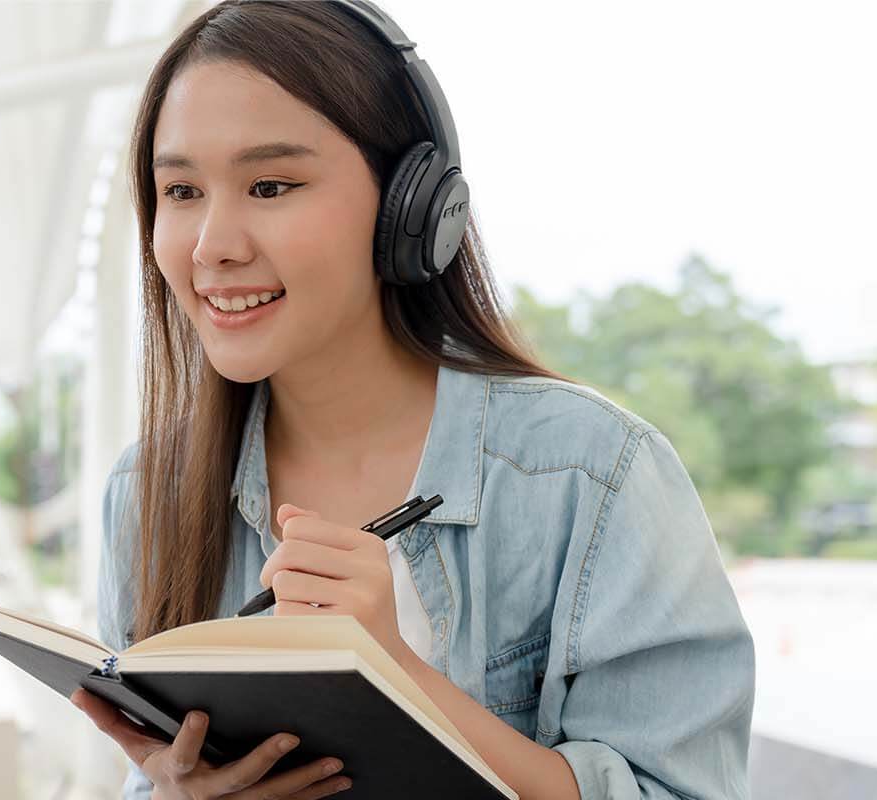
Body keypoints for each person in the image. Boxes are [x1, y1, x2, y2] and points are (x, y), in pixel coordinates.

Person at [69, 2, 755, 798]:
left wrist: (391, 673)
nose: (212, 244)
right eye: (181, 191)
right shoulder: (149, 490)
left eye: (268, 184)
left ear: (412, 206)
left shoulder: (590, 475)